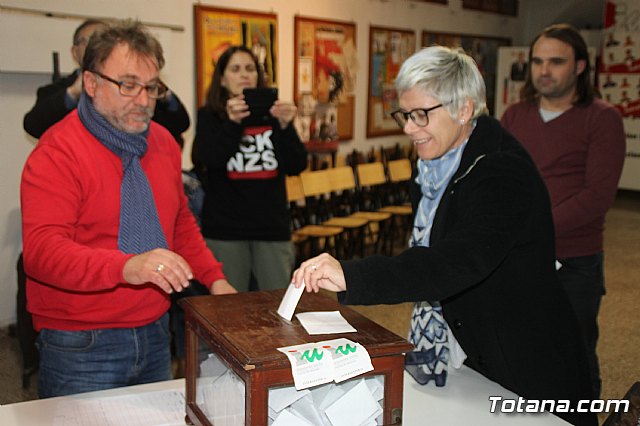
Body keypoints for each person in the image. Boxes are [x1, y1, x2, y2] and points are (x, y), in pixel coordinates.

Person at [292, 45, 596, 426]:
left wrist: (353, 275)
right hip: (473, 347)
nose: (407, 128)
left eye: (420, 115)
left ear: (464, 109)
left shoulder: (501, 173)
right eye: (404, 115)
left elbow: (455, 261)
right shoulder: (435, 167)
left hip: (526, 362)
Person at [20, 20, 236, 399]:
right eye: (128, 85)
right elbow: (42, 252)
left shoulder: (163, 143)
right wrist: (126, 266)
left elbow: (179, 222)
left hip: (155, 331)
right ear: (91, 83)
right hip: (80, 344)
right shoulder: (58, 152)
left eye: (151, 88)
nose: (143, 100)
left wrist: (216, 280)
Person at [501, 24, 626, 400]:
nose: (544, 70)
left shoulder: (602, 118)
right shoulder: (515, 116)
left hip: (574, 263)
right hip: (517, 259)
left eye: (556, 62)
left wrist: (532, 231)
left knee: (574, 354)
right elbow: (500, 180)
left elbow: (596, 196)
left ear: (580, 67)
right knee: (518, 349)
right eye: (537, 61)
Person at [191, 46, 307, 292]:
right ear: (222, 79)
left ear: (259, 76)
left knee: (277, 306)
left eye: (250, 68)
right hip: (226, 229)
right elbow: (207, 160)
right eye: (235, 69)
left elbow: (297, 165)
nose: (244, 74)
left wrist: (287, 127)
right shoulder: (211, 116)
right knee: (229, 311)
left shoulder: (274, 115)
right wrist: (233, 124)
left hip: (271, 227)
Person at [23, 19, 190, 147]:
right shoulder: (56, 95)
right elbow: (34, 126)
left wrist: (153, 85)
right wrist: (74, 92)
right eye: (89, 41)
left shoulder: (145, 100)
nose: (142, 100)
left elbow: (180, 122)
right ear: (75, 52)